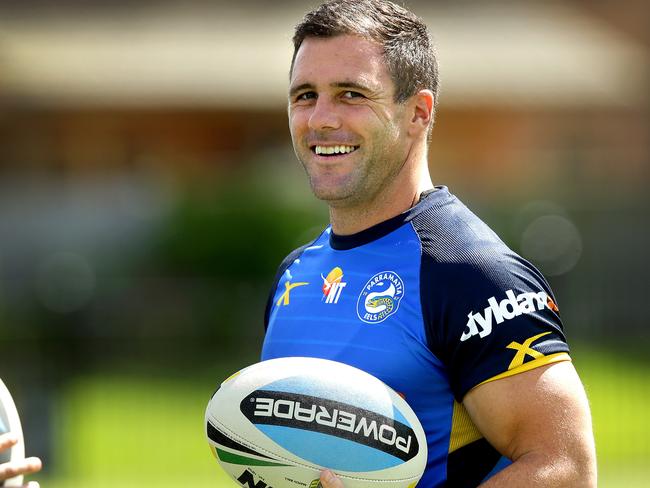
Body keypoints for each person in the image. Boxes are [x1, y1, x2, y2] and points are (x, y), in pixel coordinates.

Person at [261, 0, 597, 486]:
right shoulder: (295, 273)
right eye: (305, 95)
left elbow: (565, 468)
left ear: (417, 112)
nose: (320, 119)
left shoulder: (469, 272)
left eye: (351, 94)